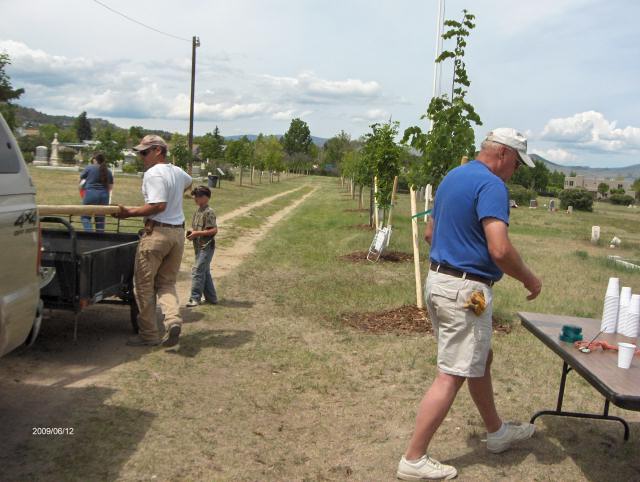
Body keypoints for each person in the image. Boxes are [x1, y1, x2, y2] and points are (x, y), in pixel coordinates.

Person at [397, 128, 543, 481]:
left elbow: (430, 233)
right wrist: (529, 278)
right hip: (466, 292)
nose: (516, 172)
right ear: (504, 155)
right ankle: (413, 458)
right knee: (452, 373)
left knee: (480, 357)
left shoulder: (452, 176)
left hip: (439, 282)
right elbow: (500, 249)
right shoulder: (493, 186)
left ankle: (496, 432)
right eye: (518, 165)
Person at [114, 135, 192, 348]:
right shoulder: (177, 171)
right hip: (177, 235)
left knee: (144, 286)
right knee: (166, 283)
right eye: (140, 152)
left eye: (144, 152)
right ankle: (173, 319)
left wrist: (129, 213)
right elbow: (189, 182)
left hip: (157, 234)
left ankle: (148, 335)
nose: (141, 157)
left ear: (158, 150)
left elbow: (158, 205)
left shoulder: (153, 173)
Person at [186, 185, 218, 307]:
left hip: (207, 247)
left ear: (205, 197)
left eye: (198, 196)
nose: (195, 199)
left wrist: (197, 233)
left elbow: (214, 230)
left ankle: (195, 298)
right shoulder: (198, 211)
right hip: (198, 246)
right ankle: (212, 298)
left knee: (197, 270)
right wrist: (192, 233)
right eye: (195, 196)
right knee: (204, 271)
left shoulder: (209, 212)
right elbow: (196, 228)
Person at [79, 153, 113, 232]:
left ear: (94, 160)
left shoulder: (89, 168)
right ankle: (100, 239)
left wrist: (82, 191)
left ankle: (90, 235)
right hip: (104, 196)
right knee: (100, 220)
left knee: (85, 217)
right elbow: (110, 187)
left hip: (91, 194)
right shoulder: (108, 171)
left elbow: (81, 182)